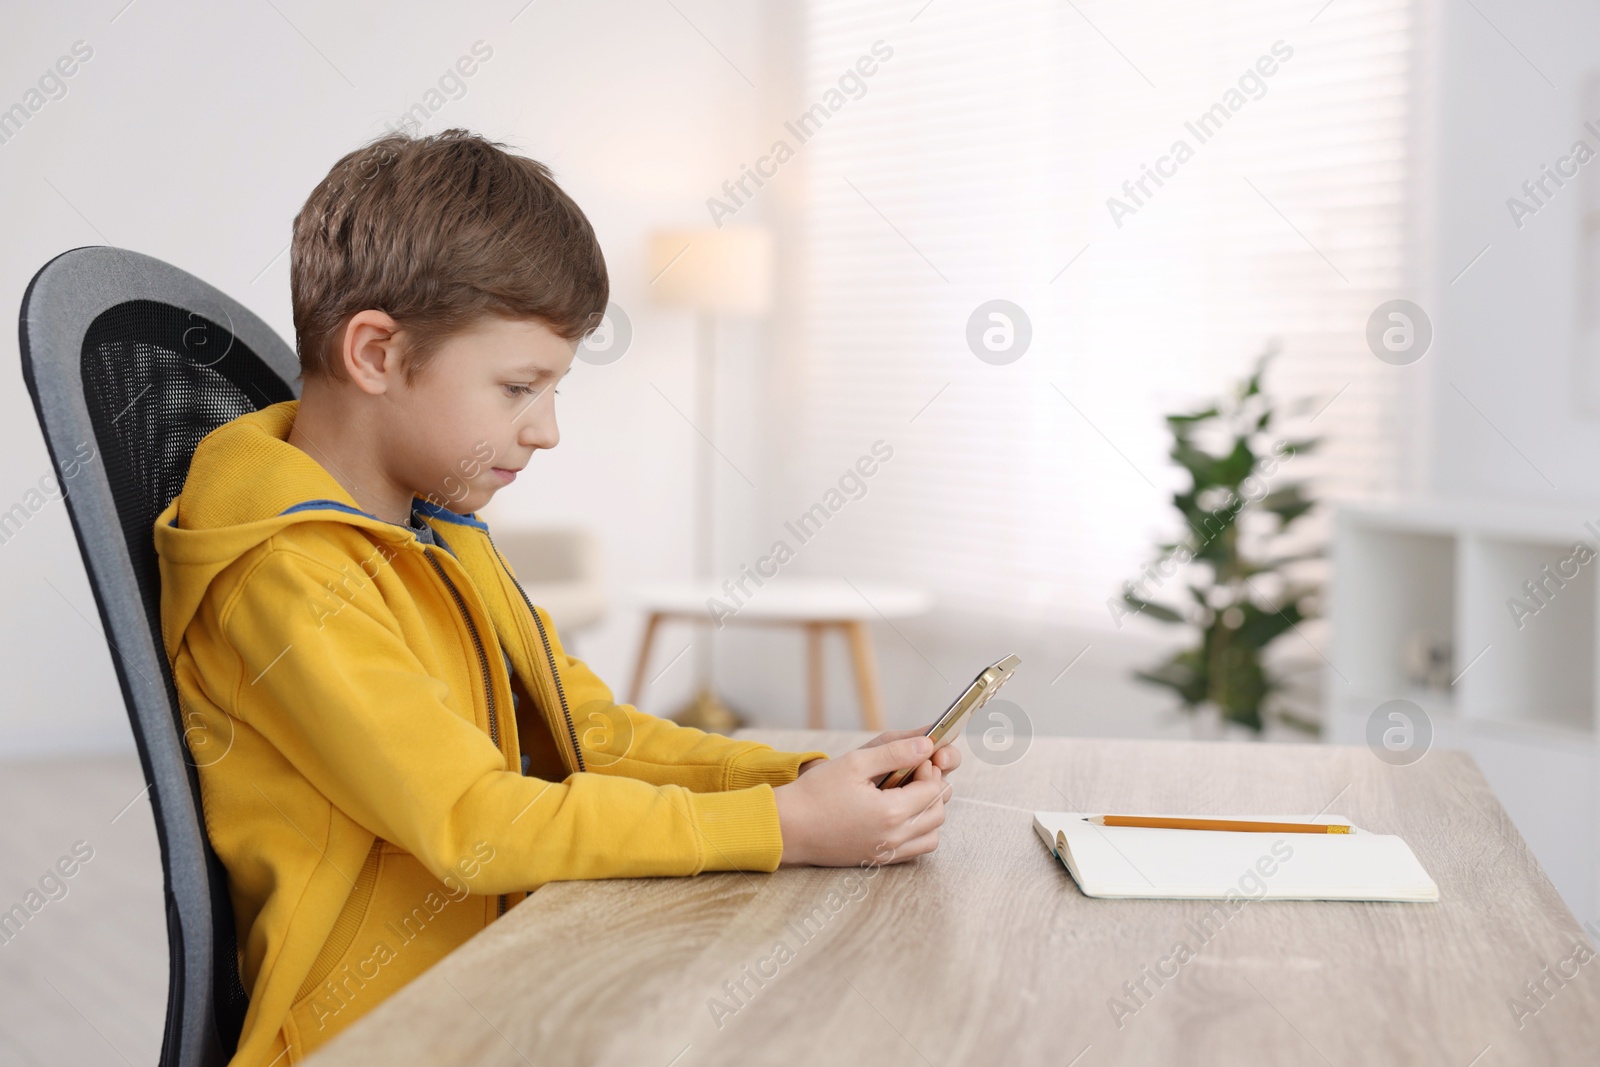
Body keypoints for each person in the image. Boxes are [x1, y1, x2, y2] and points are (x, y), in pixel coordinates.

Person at [153, 128, 957, 1065]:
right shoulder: (288, 575)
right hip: (376, 1028)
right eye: (519, 387)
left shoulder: (435, 532)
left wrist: (797, 782)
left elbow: (593, 734)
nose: (547, 431)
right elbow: (477, 823)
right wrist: (781, 830)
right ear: (375, 352)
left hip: (507, 963)